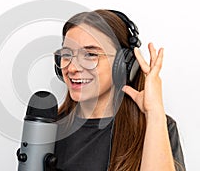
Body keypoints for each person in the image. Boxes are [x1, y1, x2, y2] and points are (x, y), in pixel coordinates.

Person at [53, 10, 185, 171]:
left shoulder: (155, 126)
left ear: (123, 64)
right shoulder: (47, 128)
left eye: (90, 54)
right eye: (67, 55)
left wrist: (154, 113)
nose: (72, 68)